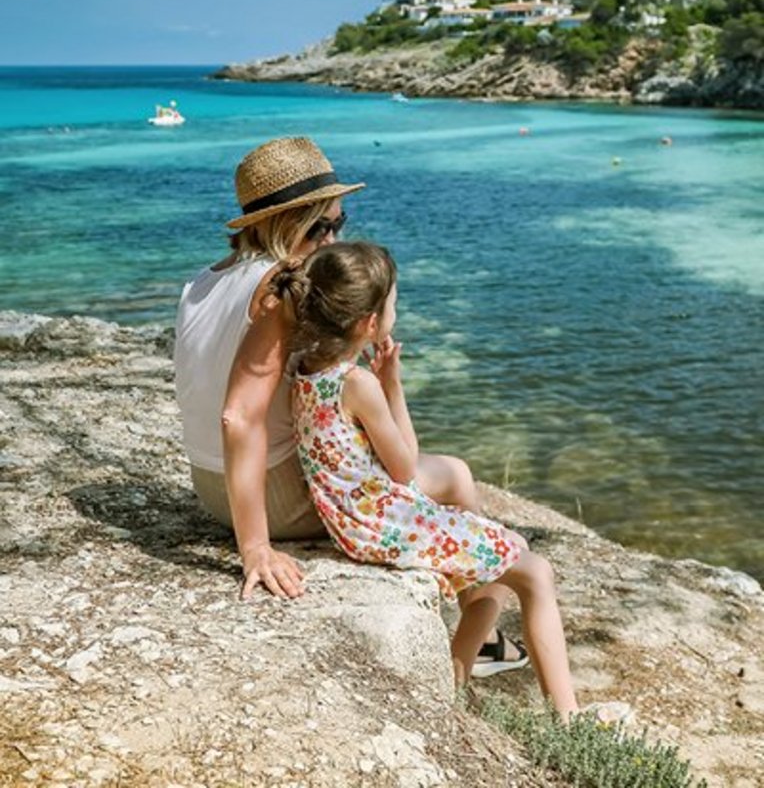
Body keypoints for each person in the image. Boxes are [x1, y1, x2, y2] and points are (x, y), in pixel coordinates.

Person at [175, 135, 521, 680]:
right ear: (286, 223)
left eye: (340, 223)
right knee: (453, 475)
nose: (334, 239)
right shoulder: (280, 286)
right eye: (322, 228)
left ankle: (480, 630)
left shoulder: (202, 281)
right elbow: (237, 415)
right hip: (270, 497)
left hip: (211, 488)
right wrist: (256, 548)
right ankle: (481, 634)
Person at [272, 241, 632, 721]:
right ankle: (567, 720)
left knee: (502, 563)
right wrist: (393, 384)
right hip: (384, 522)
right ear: (369, 325)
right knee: (535, 572)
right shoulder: (357, 384)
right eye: (394, 303)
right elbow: (404, 466)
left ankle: (457, 676)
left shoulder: (303, 366)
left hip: (356, 517)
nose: (396, 311)